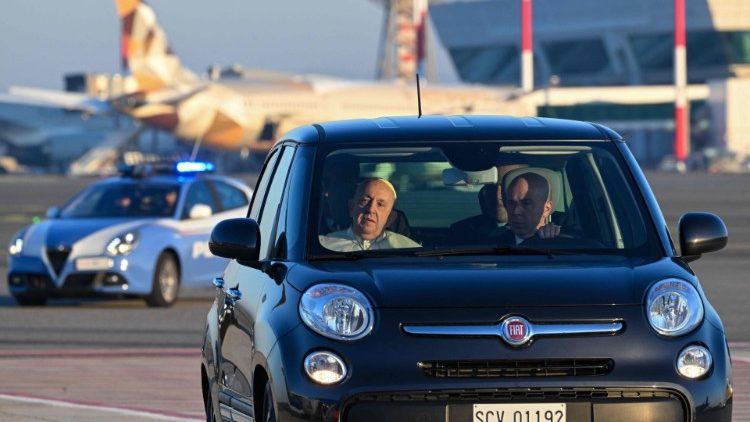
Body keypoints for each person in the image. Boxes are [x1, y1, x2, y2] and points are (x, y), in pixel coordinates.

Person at [319, 178, 420, 251]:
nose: (370, 209)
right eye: (365, 201)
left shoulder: (409, 250)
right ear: (352, 208)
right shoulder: (323, 246)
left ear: (390, 217)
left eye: (380, 204)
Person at [448, 162, 528, 243]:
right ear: (483, 193)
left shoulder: (536, 238)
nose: (498, 195)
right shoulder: (461, 232)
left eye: (507, 186)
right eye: (491, 186)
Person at [498, 171, 561, 246]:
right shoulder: (493, 242)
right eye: (511, 203)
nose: (516, 211)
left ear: (547, 209)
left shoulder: (561, 244)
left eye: (526, 203)